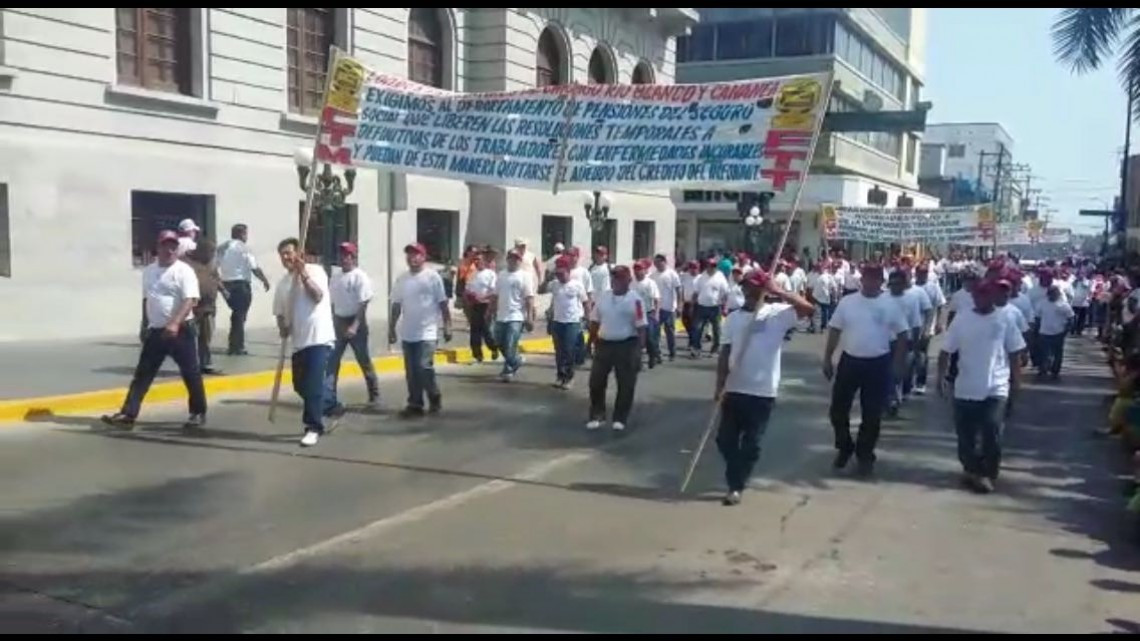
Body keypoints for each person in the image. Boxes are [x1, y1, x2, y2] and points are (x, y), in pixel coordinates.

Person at [714, 269, 815, 506]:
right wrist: (719, 385)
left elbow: (809, 310)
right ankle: (736, 475)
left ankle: (735, 485)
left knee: (752, 443)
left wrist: (779, 290)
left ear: (763, 290)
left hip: (762, 391)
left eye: (755, 287)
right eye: (746, 287)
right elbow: (725, 352)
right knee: (724, 440)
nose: (748, 291)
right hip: (735, 388)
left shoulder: (776, 314)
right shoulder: (733, 318)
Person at [102, 230, 207, 431]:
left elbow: (190, 300)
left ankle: (197, 412)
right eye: (165, 246)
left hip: (181, 330)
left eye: (173, 246)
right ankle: (128, 414)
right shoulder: (149, 271)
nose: (169, 250)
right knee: (143, 374)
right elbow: (147, 299)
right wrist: (144, 324)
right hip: (156, 331)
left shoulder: (184, 271)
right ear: (157, 248)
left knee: (191, 373)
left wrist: (175, 323)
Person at [937, 279, 1025, 494]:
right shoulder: (962, 319)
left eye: (987, 295)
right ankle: (972, 469)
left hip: (996, 387)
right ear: (973, 296)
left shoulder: (1005, 319)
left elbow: (1014, 353)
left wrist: (1017, 383)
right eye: (978, 295)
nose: (982, 299)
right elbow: (946, 350)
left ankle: (987, 472)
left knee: (991, 431)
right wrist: (940, 377)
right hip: (966, 387)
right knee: (965, 435)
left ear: (992, 296)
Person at [822, 263, 909, 476]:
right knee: (837, 410)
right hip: (850, 361)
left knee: (872, 415)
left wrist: (898, 365)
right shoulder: (848, 302)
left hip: (878, 363)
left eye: (875, 278)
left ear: (881, 281)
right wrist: (827, 358)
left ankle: (865, 454)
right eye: (867, 277)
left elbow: (903, 335)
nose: (870, 282)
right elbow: (834, 330)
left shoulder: (890, 305)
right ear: (862, 279)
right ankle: (844, 447)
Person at [272, 237, 335, 447]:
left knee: (313, 385)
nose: (286, 257)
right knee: (300, 386)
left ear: (300, 253)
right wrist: (283, 326)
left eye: (289, 253)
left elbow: (317, 296)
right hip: (299, 342)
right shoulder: (282, 283)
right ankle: (331, 403)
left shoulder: (316, 271)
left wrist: (304, 274)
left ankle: (313, 427)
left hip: (319, 338)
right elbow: (280, 313)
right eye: (282, 254)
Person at [389, 243, 452, 418]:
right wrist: (391, 328)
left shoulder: (432, 277)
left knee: (423, 366)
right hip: (408, 332)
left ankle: (434, 395)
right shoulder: (402, 279)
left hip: (428, 332)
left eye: (416, 254)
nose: (412, 258)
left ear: (424, 257)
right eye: (409, 254)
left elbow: (443, 303)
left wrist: (447, 325)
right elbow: (396, 305)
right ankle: (415, 403)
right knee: (411, 371)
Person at [587, 265, 648, 432]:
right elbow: (594, 321)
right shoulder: (603, 298)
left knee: (625, 383)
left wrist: (640, 351)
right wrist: (590, 342)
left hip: (627, 344)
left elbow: (641, 327)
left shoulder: (635, 300)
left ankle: (620, 417)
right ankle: (597, 415)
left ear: (628, 281)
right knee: (596, 381)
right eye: (614, 278)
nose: (616, 281)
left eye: (620, 278)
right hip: (604, 343)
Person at [324, 242, 380, 414]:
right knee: (332, 362)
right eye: (342, 255)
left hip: (356, 322)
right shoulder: (335, 277)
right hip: (339, 322)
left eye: (348, 255)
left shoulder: (360, 277)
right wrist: (332, 322)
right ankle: (329, 399)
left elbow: (363, 303)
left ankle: (374, 395)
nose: (344, 258)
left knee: (363, 360)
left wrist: (355, 326)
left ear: (354, 257)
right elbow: (331, 302)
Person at [217, 224, 270, 356]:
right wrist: (264, 280)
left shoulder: (222, 247)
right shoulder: (245, 249)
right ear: (241, 234)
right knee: (240, 315)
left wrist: (220, 284)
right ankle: (236, 346)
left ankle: (234, 343)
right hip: (241, 285)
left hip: (226, 284)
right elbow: (254, 267)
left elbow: (214, 266)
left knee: (237, 314)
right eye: (246, 234)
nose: (246, 237)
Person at [492, 249, 536, 382]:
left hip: (516, 316)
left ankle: (509, 368)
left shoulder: (524, 276)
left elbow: (529, 298)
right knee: (499, 342)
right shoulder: (501, 275)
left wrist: (530, 317)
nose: (514, 260)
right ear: (507, 259)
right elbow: (495, 295)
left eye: (516, 258)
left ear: (520, 261)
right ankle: (516, 360)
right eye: (511, 258)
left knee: (510, 343)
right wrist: (490, 312)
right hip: (501, 315)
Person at [885, 269, 927, 413]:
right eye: (892, 284)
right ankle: (891, 398)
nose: (894, 286)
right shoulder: (883, 298)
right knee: (886, 372)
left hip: (904, 341)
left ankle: (896, 396)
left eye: (898, 284)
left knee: (898, 372)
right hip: (885, 341)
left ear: (904, 284)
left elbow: (916, 323)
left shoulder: (912, 299)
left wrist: (916, 344)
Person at [549, 255, 589, 389]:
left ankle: (569, 377)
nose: (559, 276)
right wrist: (546, 279)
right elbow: (540, 290)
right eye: (557, 273)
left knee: (569, 350)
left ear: (568, 271)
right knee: (559, 351)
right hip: (557, 322)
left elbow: (585, 302)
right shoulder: (554, 284)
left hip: (572, 322)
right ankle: (560, 375)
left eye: (562, 273)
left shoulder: (577, 285)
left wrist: (587, 318)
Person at [185, 239, 224, 375]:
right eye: (210, 252)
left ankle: (205, 363)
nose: (211, 256)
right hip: (191, 307)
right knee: (191, 337)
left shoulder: (210, 264)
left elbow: (216, 278)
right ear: (200, 251)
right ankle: (191, 364)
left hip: (208, 307)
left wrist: (224, 291)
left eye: (213, 253)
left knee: (206, 336)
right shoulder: (187, 263)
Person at [912, 263, 946, 395]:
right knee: (909, 355)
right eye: (920, 272)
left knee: (922, 355)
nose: (922, 274)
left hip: (927, 327)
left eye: (925, 272)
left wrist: (939, 323)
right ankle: (907, 383)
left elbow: (941, 305)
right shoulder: (911, 286)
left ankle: (921, 382)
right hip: (911, 327)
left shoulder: (933, 287)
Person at [464, 248, 499, 363]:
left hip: (486, 305)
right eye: (475, 260)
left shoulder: (490, 274)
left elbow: (494, 291)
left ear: (484, 261)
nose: (477, 262)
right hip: (474, 305)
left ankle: (493, 347)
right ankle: (477, 355)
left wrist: (484, 298)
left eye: (479, 259)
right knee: (474, 330)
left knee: (485, 329)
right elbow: (468, 289)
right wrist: (469, 297)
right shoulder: (473, 274)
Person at [690, 258, 729, 358]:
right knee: (697, 329)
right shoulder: (701, 277)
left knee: (717, 330)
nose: (712, 268)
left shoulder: (720, 277)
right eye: (710, 265)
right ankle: (696, 349)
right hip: (701, 306)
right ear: (707, 266)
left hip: (715, 308)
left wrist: (724, 307)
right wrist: (692, 305)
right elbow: (695, 292)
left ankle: (714, 350)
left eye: (714, 266)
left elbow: (725, 293)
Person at [1035, 285, 1075, 380]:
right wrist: (1036, 329)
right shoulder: (1042, 304)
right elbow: (1037, 317)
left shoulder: (1063, 305)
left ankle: (1055, 371)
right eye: (1051, 293)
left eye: (1055, 293)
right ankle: (1043, 369)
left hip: (1058, 332)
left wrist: (1066, 330)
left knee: (1057, 353)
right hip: (1044, 332)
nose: (1053, 295)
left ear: (1058, 294)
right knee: (1044, 353)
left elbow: (1071, 318)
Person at [651, 254, 682, 362]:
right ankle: (657, 354)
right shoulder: (653, 276)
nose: (657, 265)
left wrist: (679, 306)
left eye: (658, 262)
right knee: (655, 332)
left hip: (669, 308)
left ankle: (672, 352)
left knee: (670, 332)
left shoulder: (672, 274)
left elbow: (678, 290)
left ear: (664, 262)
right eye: (655, 263)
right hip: (657, 309)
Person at [633, 260, 662, 368]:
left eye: (640, 269)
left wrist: (657, 313)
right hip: (636, 313)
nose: (637, 272)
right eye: (636, 269)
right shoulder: (632, 283)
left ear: (645, 270)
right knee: (636, 338)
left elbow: (657, 299)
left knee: (650, 337)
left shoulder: (650, 283)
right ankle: (638, 360)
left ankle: (652, 356)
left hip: (648, 312)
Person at [807, 260, 836, 333]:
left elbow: (833, 287)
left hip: (826, 298)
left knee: (825, 314)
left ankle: (824, 327)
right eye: (818, 267)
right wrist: (811, 297)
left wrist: (834, 297)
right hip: (816, 298)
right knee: (817, 315)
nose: (819, 269)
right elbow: (810, 287)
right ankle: (817, 328)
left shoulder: (828, 276)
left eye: (821, 267)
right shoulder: (814, 276)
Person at [680, 260, 700, 341]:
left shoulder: (701, 278)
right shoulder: (684, 276)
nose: (693, 270)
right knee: (685, 321)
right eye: (691, 268)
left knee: (694, 323)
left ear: (698, 268)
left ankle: (693, 341)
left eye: (695, 268)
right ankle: (692, 336)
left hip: (697, 304)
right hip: (686, 303)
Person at [1071, 271, 1092, 336]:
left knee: (1082, 317)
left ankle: (1079, 330)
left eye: (1082, 274)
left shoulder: (1087, 282)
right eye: (1079, 274)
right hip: (1074, 302)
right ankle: (1073, 329)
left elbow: (1089, 290)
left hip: (1084, 302)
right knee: (1074, 317)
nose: (1080, 276)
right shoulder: (1074, 282)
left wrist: (1089, 299)